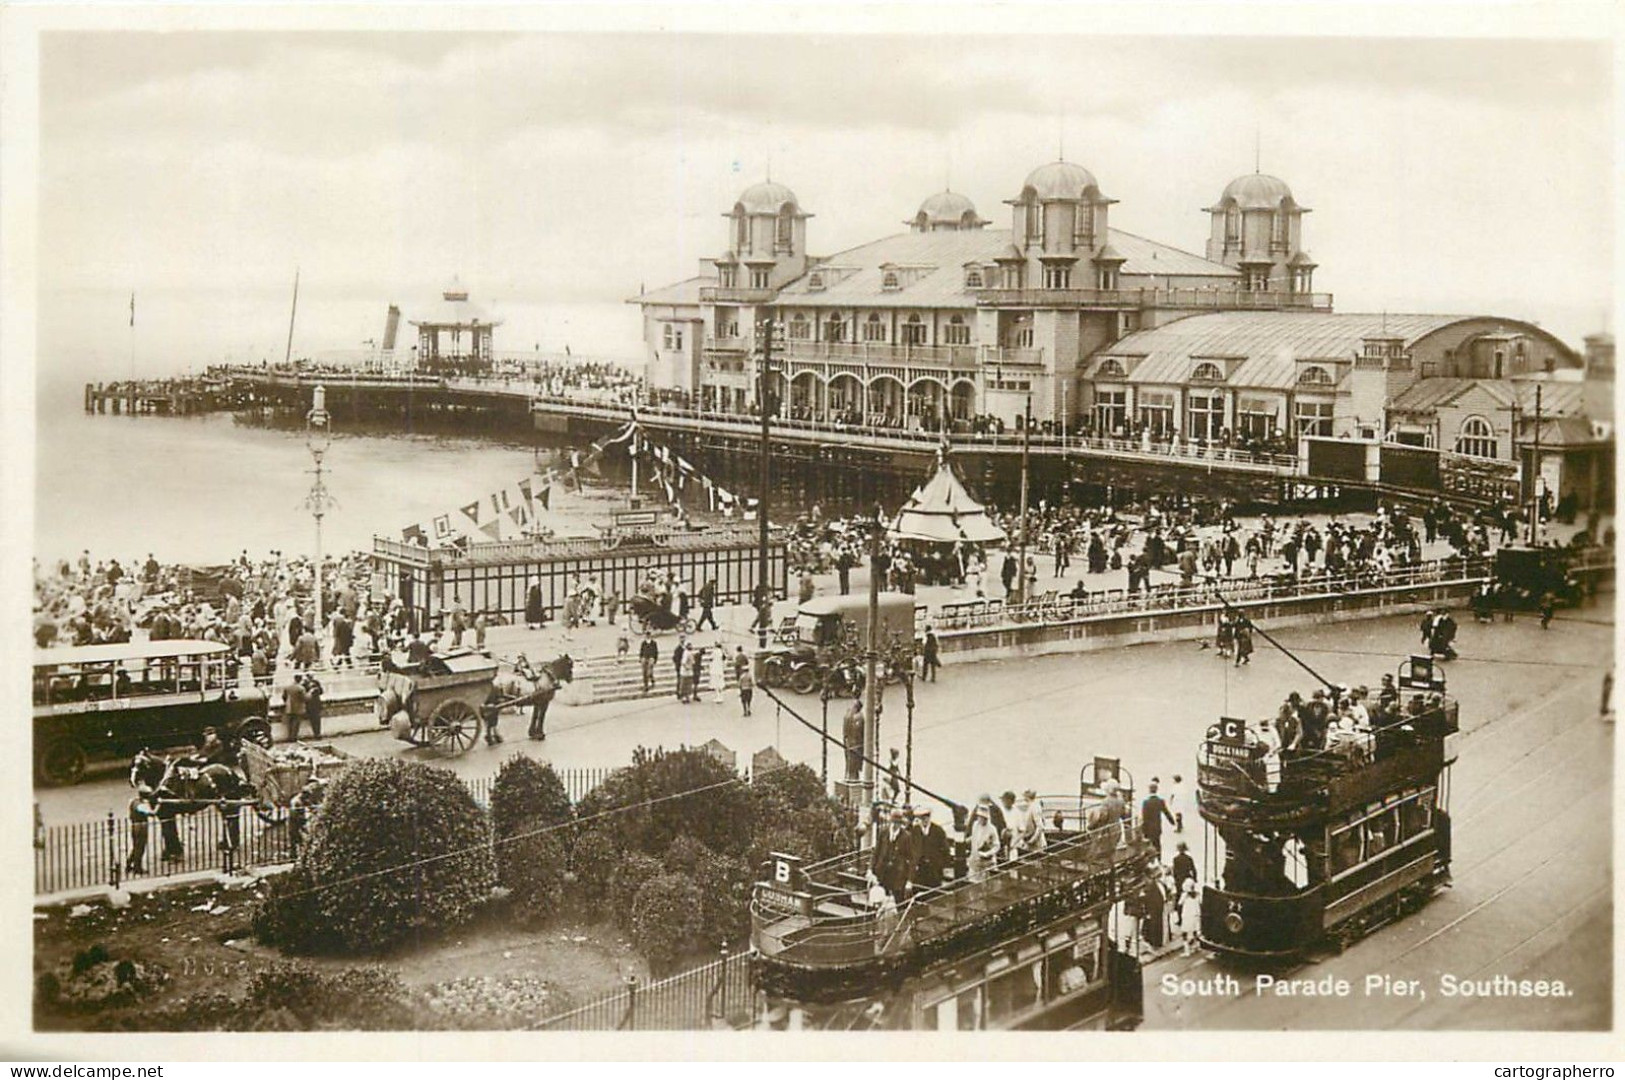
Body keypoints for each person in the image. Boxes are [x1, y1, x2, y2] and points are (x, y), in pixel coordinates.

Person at [868, 806, 918, 902]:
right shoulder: (883, 833)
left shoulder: (906, 837)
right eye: (894, 822)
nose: (895, 825)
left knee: (897, 900)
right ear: (891, 821)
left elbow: (912, 860)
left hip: (897, 876)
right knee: (879, 899)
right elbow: (876, 853)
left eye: (898, 823)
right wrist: (870, 869)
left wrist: (909, 881)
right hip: (882, 873)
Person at [912, 807, 952, 890]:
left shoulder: (938, 831)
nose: (924, 821)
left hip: (934, 869)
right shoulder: (915, 831)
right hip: (920, 868)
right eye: (922, 818)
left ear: (929, 818)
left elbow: (945, 850)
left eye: (926, 818)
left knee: (934, 891)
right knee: (919, 890)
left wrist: (944, 866)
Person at [1140, 780, 1175, 860]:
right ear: (1157, 790)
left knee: (1148, 845)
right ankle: (1159, 858)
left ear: (1149, 790)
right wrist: (1172, 821)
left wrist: (1143, 829)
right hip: (1157, 827)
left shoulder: (1146, 802)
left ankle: (1150, 860)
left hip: (1148, 828)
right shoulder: (1160, 801)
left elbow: (1144, 817)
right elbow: (1166, 812)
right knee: (1157, 844)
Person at [1178, 880, 1203, 956]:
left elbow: (1179, 903)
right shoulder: (1198, 894)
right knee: (1195, 931)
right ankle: (1196, 946)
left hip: (1187, 915)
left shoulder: (1184, 895)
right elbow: (1201, 903)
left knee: (1184, 932)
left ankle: (1187, 951)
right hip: (1196, 915)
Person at [283, 674, 310, 742]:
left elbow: (284, 696)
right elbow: (305, 698)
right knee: (296, 723)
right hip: (298, 708)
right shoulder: (301, 688)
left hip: (289, 707)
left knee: (290, 723)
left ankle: (289, 737)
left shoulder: (288, 687)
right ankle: (294, 737)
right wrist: (310, 694)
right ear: (300, 680)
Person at [842, 699, 865, 782]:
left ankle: (849, 776)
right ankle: (853, 777)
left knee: (849, 761)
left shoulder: (847, 715)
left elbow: (845, 731)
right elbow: (860, 732)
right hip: (856, 743)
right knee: (854, 762)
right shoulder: (859, 717)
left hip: (847, 741)